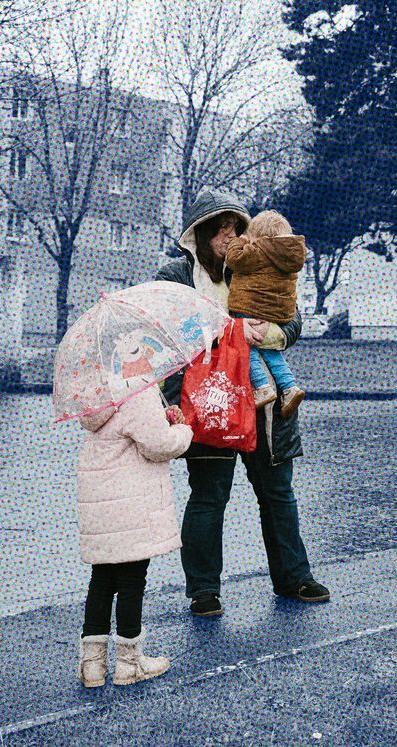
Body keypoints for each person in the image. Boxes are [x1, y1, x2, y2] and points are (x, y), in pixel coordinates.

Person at [156, 190, 330, 617]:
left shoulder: (255, 260)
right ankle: (203, 590)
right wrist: (232, 333)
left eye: (236, 226)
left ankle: (294, 577)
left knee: (277, 493)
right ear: (199, 233)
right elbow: (168, 333)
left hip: (266, 403)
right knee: (209, 495)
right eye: (220, 228)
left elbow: (291, 319)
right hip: (209, 401)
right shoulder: (176, 274)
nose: (229, 234)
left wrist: (266, 334)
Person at [74, 365, 194, 687]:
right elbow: (158, 445)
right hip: (131, 500)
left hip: (103, 501)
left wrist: (161, 417)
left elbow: (124, 432)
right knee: (131, 579)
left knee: (102, 579)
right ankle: (130, 664)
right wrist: (182, 431)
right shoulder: (137, 390)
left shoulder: (101, 391)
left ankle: (92, 666)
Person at [224, 210, 309, 416]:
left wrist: (240, 241)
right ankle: (289, 387)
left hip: (250, 308)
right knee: (272, 353)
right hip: (276, 313)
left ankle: (262, 386)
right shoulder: (289, 255)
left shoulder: (258, 251)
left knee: (248, 347)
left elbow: (234, 259)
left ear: (260, 237)